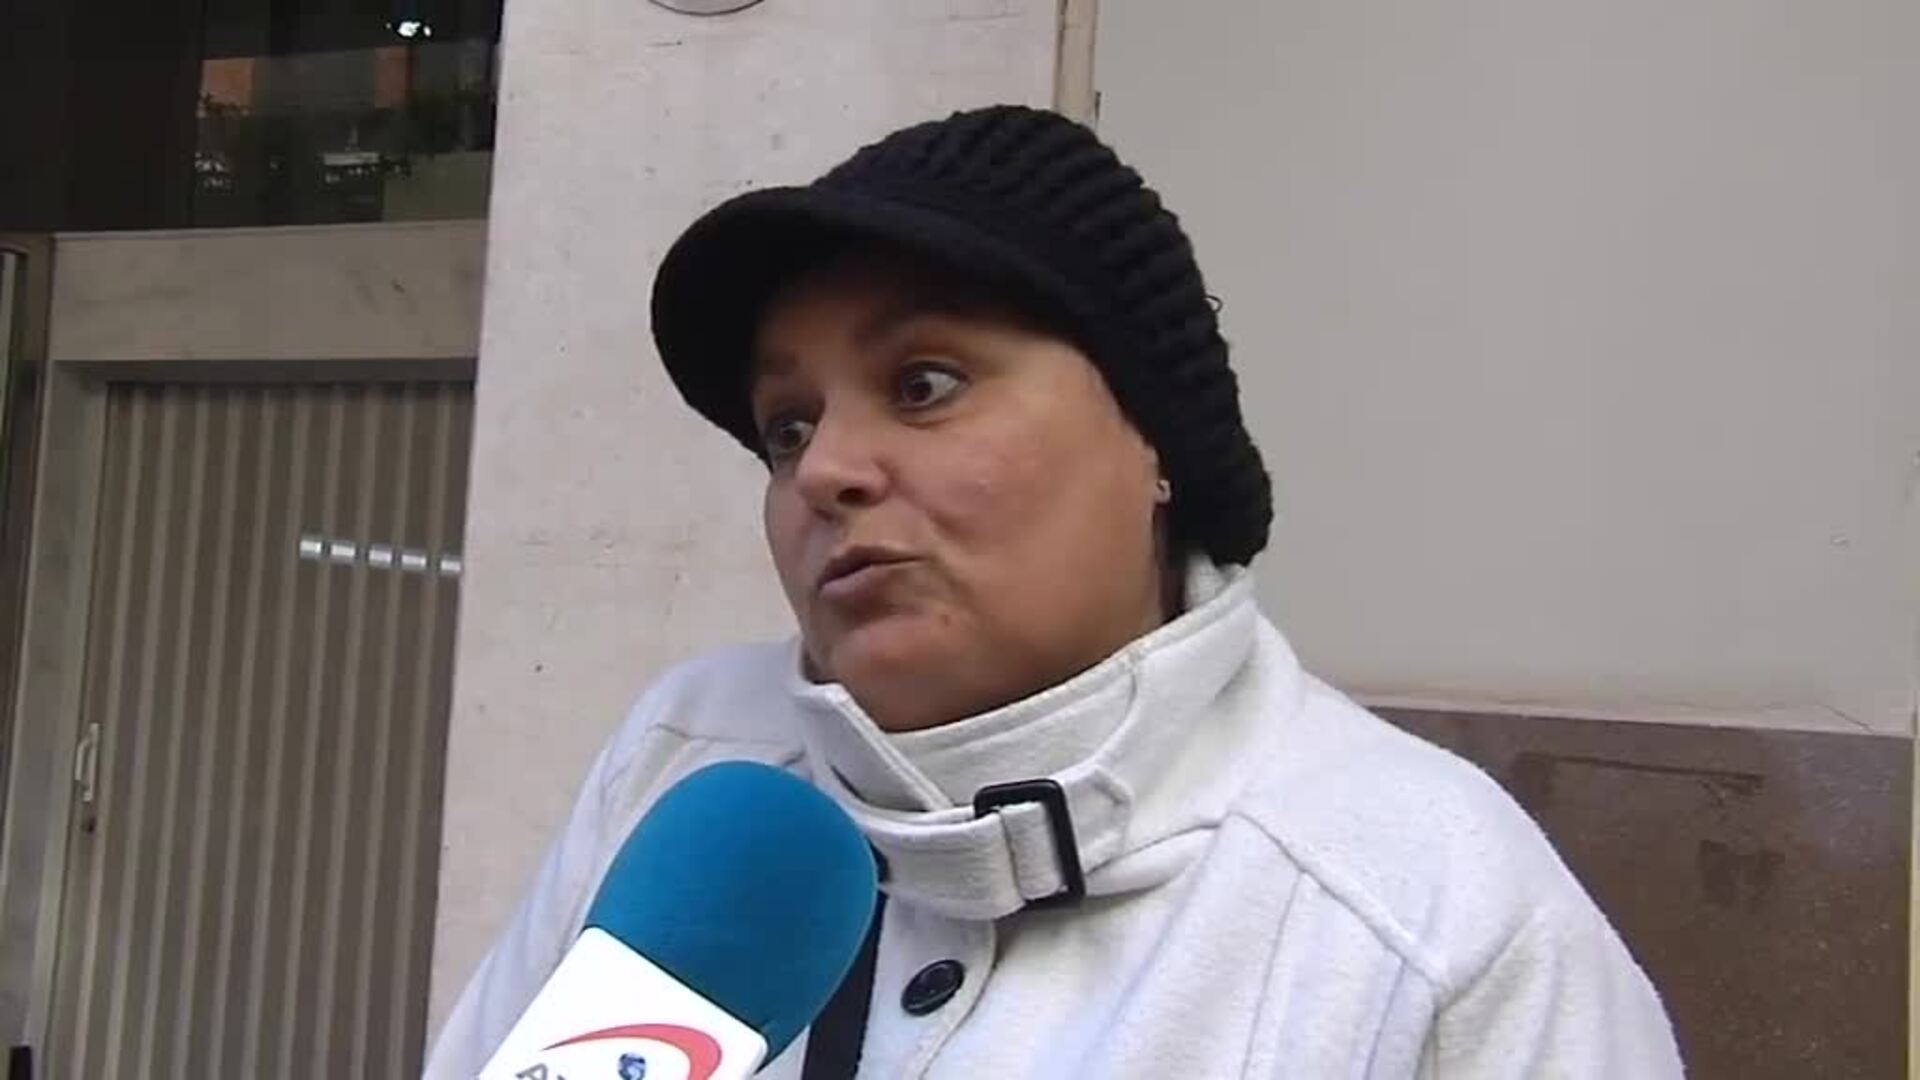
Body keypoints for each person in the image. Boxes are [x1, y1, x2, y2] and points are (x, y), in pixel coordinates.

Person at [425, 105, 1681, 1079]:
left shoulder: (1433, 914)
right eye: (786, 426)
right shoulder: (692, 766)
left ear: (1155, 442)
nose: (827, 470)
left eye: (924, 384)